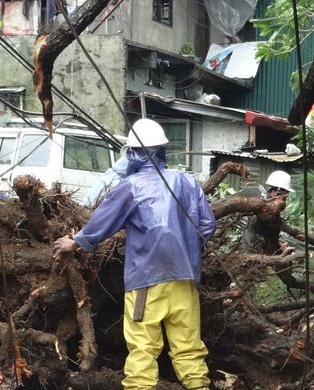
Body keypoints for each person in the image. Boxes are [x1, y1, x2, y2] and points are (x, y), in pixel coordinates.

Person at [53, 118, 216, 390]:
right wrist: (185, 249)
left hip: (146, 283)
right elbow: (208, 226)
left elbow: (103, 221)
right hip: (185, 280)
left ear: (133, 153)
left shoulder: (130, 187)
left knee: (143, 350)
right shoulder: (187, 182)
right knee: (189, 350)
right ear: (162, 150)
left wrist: (75, 242)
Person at [239, 170, 294, 255]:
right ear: (277, 193)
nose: (284, 201)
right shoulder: (260, 203)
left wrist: (278, 241)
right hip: (251, 248)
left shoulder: (272, 206)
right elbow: (258, 228)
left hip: (261, 249)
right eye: (284, 197)